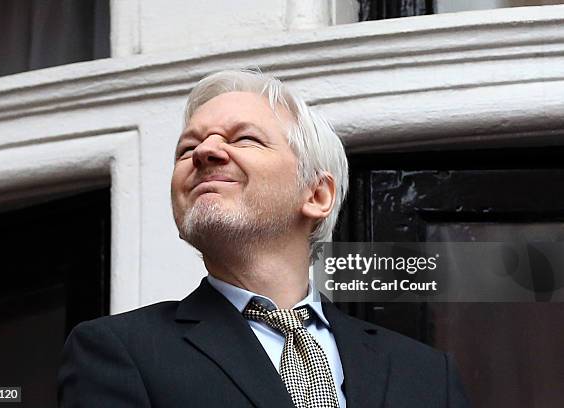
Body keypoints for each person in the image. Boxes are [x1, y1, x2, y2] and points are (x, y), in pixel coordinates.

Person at [58, 69, 469, 407]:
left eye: (244, 138)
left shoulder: (427, 374)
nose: (205, 152)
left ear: (317, 194)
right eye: (187, 148)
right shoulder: (118, 351)